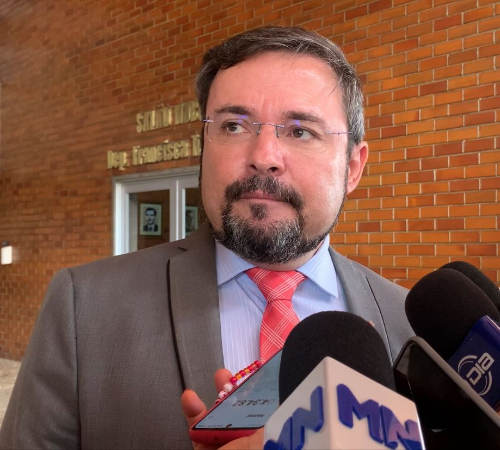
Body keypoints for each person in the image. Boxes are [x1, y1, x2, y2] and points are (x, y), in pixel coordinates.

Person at [0, 26, 413, 449]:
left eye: (300, 130)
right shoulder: (84, 307)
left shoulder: (410, 324)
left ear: (353, 167)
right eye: (234, 126)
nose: (263, 157)